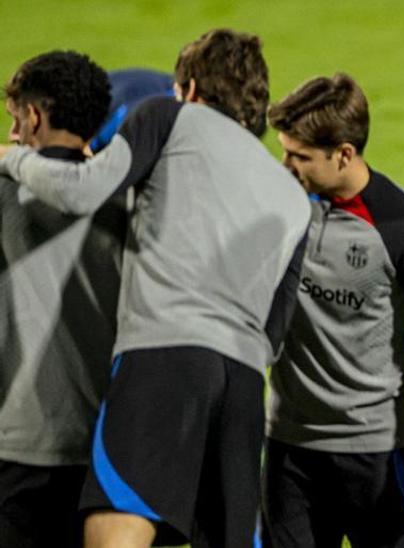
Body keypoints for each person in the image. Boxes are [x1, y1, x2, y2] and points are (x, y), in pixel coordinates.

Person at [0, 28, 311, 548]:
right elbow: (274, 333)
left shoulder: (169, 118)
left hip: (164, 359)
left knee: (112, 529)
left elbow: (86, 189)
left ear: (188, 89)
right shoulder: (292, 194)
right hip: (242, 383)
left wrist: (11, 159)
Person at [262, 73, 404, 548]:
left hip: (376, 455)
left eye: (300, 157)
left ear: (343, 154)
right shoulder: (282, 208)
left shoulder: (401, 227)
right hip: (289, 453)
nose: (286, 166)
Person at [0, 50, 122, 548]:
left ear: (34, 117)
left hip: (18, 444)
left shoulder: (6, 193)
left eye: (14, 121)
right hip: (105, 452)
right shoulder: (129, 200)